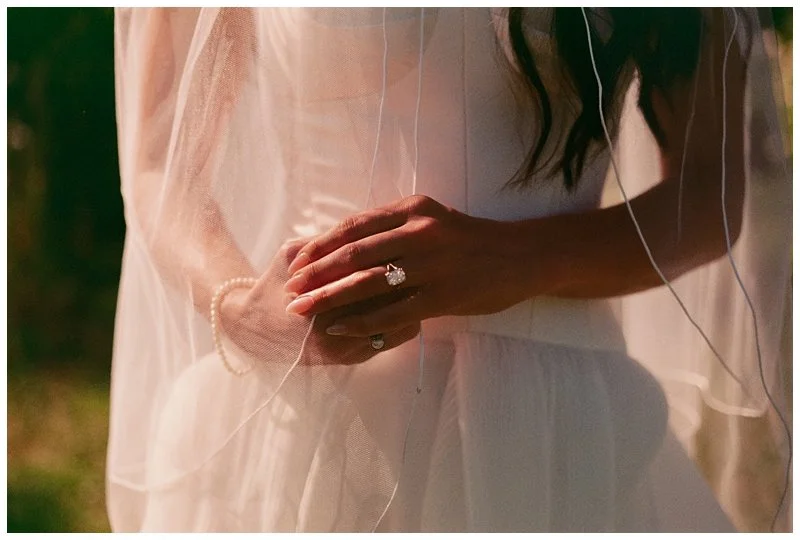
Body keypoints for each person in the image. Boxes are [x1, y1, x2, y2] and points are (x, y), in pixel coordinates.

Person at [108, 7, 791, 532]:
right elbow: (159, 159)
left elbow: (707, 196)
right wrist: (240, 310)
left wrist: (513, 259)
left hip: (548, 425)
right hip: (299, 409)